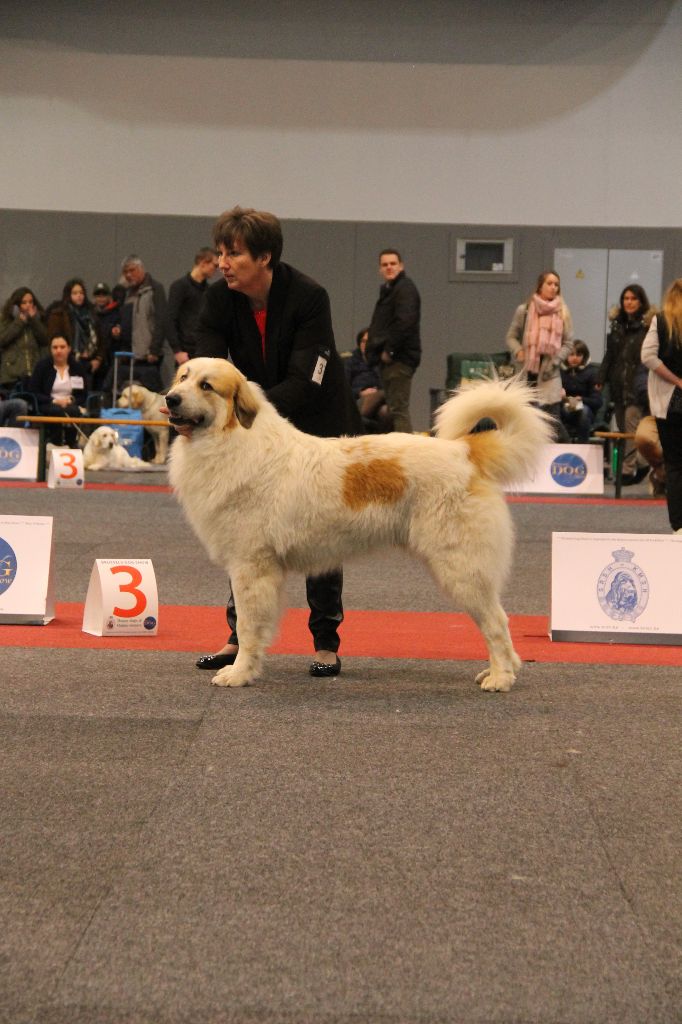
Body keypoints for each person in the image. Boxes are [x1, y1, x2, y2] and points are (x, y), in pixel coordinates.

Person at [189, 206, 361, 677]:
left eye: (233, 254)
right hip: (252, 424)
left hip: (317, 416)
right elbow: (206, 367)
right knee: (245, 535)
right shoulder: (218, 299)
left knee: (322, 530)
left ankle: (325, 642)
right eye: (220, 253)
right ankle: (239, 639)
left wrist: (244, 407)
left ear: (264, 257)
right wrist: (194, 408)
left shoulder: (309, 296)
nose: (222, 263)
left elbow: (308, 380)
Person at [506, 270, 574, 439]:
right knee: (526, 427)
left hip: (549, 375)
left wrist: (556, 361)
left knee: (552, 425)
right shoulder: (525, 310)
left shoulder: (563, 312)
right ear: (540, 286)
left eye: (556, 284)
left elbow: (568, 343)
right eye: (549, 283)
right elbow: (511, 337)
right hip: (527, 374)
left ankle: (566, 450)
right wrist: (518, 350)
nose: (553, 287)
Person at [599, 283, 654, 483]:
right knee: (623, 429)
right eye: (625, 298)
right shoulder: (617, 326)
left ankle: (627, 470)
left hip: (637, 387)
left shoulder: (648, 327)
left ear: (641, 301)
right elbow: (610, 355)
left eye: (633, 299)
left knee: (632, 428)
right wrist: (601, 377)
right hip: (617, 385)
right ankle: (642, 464)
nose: (628, 302)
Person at [641, 278, 682, 533]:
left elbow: (647, 356)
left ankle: (678, 525)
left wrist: (676, 380)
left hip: (668, 403)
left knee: (674, 464)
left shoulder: (661, 321)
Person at [366, 249, 421, 433]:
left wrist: (389, 351)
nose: (389, 267)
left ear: (401, 266)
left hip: (398, 359)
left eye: (393, 263)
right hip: (393, 359)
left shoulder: (404, 289)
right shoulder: (391, 290)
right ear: (380, 269)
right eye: (385, 264)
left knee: (398, 410)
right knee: (394, 409)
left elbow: (405, 322)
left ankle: (406, 449)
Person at [118, 255, 169, 392]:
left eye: (132, 270)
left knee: (151, 394)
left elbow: (161, 320)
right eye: (125, 272)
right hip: (130, 354)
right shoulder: (126, 292)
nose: (128, 275)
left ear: (141, 269)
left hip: (149, 354)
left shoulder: (155, 288)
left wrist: (154, 349)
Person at [46, 278, 107, 390]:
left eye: (81, 293)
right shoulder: (60, 314)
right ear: (68, 295)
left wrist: (98, 358)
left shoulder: (91, 313)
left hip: (89, 362)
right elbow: (53, 339)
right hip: (69, 361)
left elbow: (101, 338)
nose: (79, 296)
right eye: (75, 293)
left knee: (86, 394)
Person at [28, 334, 88, 447]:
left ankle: (71, 443)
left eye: (62, 347)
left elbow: (83, 395)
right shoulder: (42, 366)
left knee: (73, 410)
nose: (58, 351)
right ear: (50, 350)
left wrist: (71, 400)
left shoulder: (77, 367)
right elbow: (34, 392)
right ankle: (55, 443)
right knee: (56, 411)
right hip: (48, 403)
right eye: (55, 347)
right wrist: (54, 400)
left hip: (70, 403)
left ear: (69, 349)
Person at [167, 247, 219, 364]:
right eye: (215, 265)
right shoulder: (180, 286)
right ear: (203, 262)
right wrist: (177, 351)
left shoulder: (209, 291)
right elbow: (169, 320)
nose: (216, 269)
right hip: (186, 353)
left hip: (205, 352)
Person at [0, 287, 48, 393]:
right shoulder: (5, 319)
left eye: (31, 302)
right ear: (16, 305)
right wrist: (19, 322)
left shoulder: (38, 319)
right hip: (12, 374)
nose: (28, 305)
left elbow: (45, 339)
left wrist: (34, 320)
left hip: (33, 373)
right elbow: (3, 339)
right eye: (24, 302)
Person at [347, 327, 392, 432]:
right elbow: (344, 387)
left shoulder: (380, 363)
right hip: (358, 400)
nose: (365, 344)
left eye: (368, 342)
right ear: (359, 343)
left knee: (385, 412)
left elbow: (385, 383)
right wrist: (360, 392)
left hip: (377, 402)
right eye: (363, 341)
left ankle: (382, 442)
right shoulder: (351, 362)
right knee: (385, 394)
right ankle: (355, 418)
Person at [559, 340, 603, 443]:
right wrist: (560, 396)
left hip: (584, 409)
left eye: (578, 355)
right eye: (571, 354)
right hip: (564, 407)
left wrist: (582, 399)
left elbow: (598, 401)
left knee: (584, 411)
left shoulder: (592, 373)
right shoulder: (559, 372)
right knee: (551, 410)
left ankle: (582, 446)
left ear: (584, 356)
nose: (574, 358)